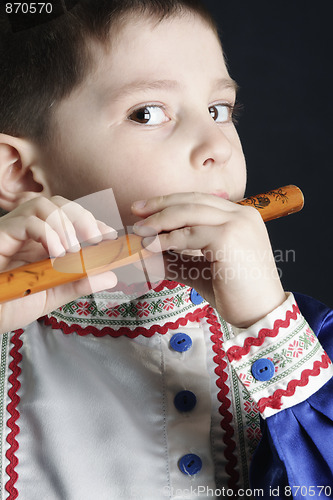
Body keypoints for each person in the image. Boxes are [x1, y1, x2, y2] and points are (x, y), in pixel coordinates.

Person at [0, 1, 332, 498]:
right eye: (148, 113)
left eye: (220, 110)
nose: (215, 144)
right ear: (21, 174)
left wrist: (267, 325)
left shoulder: (306, 341)